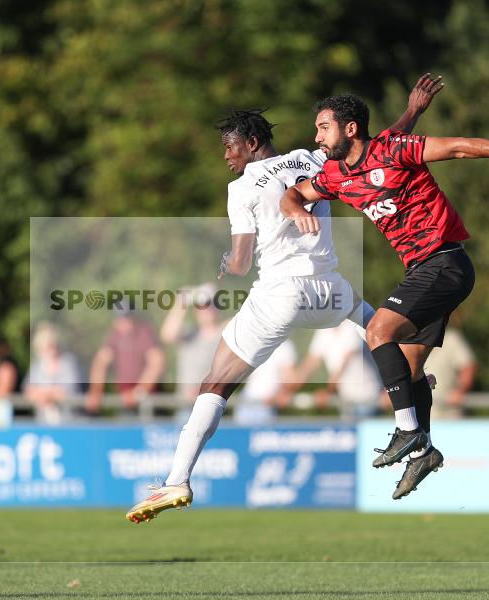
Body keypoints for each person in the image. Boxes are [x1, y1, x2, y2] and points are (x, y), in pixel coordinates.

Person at [126, 73, 442, 523]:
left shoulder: (242, 187)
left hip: (282, 293)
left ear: (252, 141)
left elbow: (240, 261)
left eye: (230, 147)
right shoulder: (310, 159)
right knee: (375, 326)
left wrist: (222, 265)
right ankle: (410, 381)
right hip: (330, 289)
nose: (226, 157)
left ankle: (177, 479)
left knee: (215, 383)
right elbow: (377, 153)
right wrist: (413, 109)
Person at [280, 89, 489, 499]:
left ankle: (406, 430)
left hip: (445, 263)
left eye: (323, 127)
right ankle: (423, 449)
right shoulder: (337, 175)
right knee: (406, 370)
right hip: (423, 270)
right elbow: (294, 194)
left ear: (350, 129)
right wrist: (297, 209)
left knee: (377, 332)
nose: (316, 138)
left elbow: (457, 148)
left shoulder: (394, 149)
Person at [289, 319, 382, 417]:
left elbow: (346, 361)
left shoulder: (352, 326)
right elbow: (312, 361)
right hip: (346, 396)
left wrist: (327, 390)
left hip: (366, 396)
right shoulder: (323, 330)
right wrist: (289, 387)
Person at [86, 306, 165, 415]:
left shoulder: (144, 333)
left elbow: (157, 362)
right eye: (120, 319)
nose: (124, 322)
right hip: (125, 402)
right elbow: (100, 361)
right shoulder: (115, 335)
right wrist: (95, 391)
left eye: (127, 318)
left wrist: (139, 392)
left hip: (149, 404)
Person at [159, 284, 225, 404]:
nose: (205, 310)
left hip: (211, 405)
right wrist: (182, 301)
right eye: (200, 307)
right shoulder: (189, 334)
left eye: (210, 305)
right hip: (184, 404)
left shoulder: (224, 333)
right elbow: (167, 335)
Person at [24, 322, 82, 424]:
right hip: (43, 421)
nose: (50, 349)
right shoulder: (37, 365)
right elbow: (28, 389)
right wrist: (46, 395)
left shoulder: (68, 362)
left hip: (70, 421)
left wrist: (46, 395)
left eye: (52, 345)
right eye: (46, 346)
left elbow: (70, 390)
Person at [235, 338, 297, 425]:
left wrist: (279, 395)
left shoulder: (284, 346)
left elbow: (289, 379)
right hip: (248, 400)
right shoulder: (257, 340)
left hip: (266, 404)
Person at [425, 325, 477, 420]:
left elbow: (468, 366)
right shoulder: (406, 338)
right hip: (416, 418)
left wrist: (461, 390)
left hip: (449, 415)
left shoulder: (451, 338)